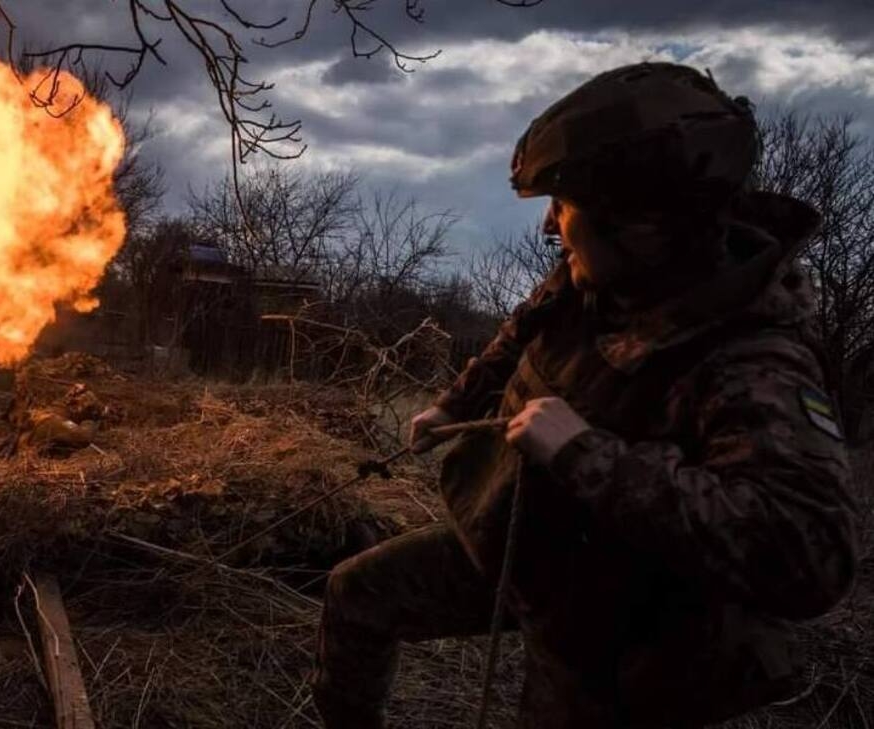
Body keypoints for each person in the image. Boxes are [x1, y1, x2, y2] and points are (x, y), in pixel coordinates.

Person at [312, 62, 859, 729]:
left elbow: (811, 555)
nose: (550, 225)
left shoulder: (754, 360)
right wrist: (457, 403)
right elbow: (522, 331)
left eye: (564, 207)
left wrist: (585, 453)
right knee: (356, 592)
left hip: (624, 630)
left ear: (639, 225)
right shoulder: (603, 274)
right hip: (529, 542)